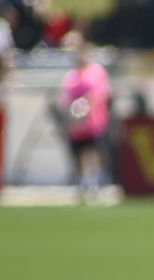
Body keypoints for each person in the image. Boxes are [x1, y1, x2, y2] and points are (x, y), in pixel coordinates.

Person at [58, 32, 110, 202]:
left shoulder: (95, 71)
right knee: (79, 152)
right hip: (76, 123)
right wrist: (72, 112)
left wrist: (84, 108)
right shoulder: (71, 75)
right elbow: (65, 97)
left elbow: (99, 93)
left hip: (93, 120)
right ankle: (82, 183)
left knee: (93, 151)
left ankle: (96, 182)